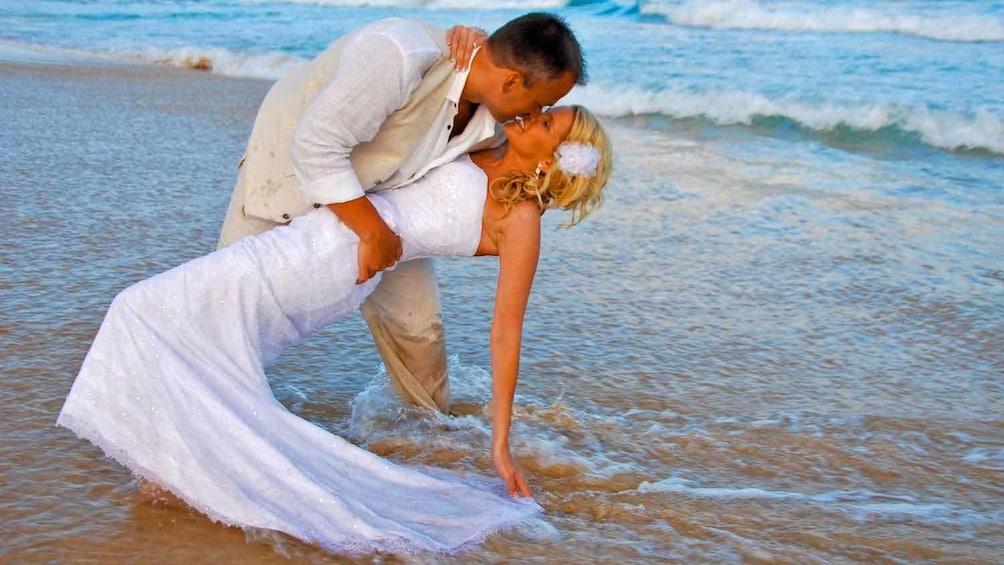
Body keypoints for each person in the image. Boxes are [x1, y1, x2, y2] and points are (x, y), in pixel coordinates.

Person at [57, 105, 613, 554]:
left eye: (546, 124)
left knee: (141, 308)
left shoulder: (520, 222)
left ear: (554, 163)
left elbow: (504, 332)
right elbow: (468, 84)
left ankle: (204, 468)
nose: (533, 115)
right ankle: (187, 467)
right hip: (327, 234)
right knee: (193, 336)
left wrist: (500, 446)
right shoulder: (487, 142)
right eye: (543, 109)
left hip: (333, 262)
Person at [218, 14, 586, 414]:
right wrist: (375, 234)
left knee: (419, 332)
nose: (534, 115)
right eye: (542, 104)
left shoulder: (495, 123)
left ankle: (429, 443)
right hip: (287, 167)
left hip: (387, 196)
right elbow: (313, 146)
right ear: (512, 82)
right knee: (230, 315)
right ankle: (205, 435)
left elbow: (523, 178)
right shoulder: (400, 55)